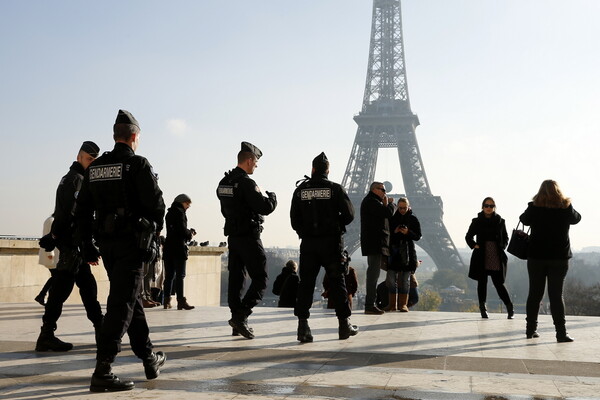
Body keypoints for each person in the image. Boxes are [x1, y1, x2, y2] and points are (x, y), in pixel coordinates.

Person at [76, 109, 166, 392]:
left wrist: (87, 245)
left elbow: (81, 213)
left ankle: (149, 357)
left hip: (106, 245)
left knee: (130, 299)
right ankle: (103, 368)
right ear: (134, 136)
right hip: (132, 245)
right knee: (121, 304)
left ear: (115, 136)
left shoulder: (96, 168)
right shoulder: (138, 165)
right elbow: (157, 208)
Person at [36, 142, 104, 352]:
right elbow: (69, 214)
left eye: (93, 160)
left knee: (84, 289)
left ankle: (100, 331)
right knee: (63, 291)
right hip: (73, 245)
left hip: (75, 245)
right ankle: (47, 335)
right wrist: (56, 235)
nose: (91, 163)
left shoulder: (75, 179)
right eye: (88, 159)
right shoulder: (75, 180)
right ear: (79, 157)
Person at [290, 152, 358, 342]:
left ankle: (302, 326)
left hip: (309, 244)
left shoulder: (300, 191)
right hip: (331, 243)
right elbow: (350, 215)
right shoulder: (335, 189)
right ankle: (344, 324)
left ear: (312, 169)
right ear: (328, 170)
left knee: (306, 284)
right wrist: (336, 224)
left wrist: (306, 231)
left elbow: (294, 220)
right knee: (338, 283)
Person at [216, 141, 277, 339]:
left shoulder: (224, 182)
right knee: (261, 278)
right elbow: (264, 207)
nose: (257, 165)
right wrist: (273, 199)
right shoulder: (247, 183)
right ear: (249, 160)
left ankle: (236, 320)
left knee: (236, 279)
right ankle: (241, 316)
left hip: (233, 237)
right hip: (250, 237)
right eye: (256, 161)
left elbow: (225, 208)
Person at [519, 180, 581, 342]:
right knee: (556, 295)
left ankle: (530, 329)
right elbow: (576, 219)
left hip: (536, 256)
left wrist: (533, 205)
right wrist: (567, 204)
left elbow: (523, 219)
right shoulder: (565, 207)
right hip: (559, 258)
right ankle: (561, 333)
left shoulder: (534, 207)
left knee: (535, 294)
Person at [466, 197, 514, 319]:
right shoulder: (476, 221)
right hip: (481, 254)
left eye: (491, 206)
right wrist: (474, 245)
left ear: (494, 207)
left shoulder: (500, 221)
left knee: (499, 283)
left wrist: (501, 247)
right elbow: (468, 236)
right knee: (482, 282)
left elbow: (506, 237)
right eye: (486, 205)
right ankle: (483, 309)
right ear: (482, 207)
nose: (488, 208)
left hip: (495, 254)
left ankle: (509, 307)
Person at [360, 182, 395, 314]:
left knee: (373, 274)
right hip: (375, 243)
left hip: (375, 243)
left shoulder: (372, 201)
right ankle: (370, 304)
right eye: (382, 190)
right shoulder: (371, 201)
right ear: (374, 190)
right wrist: (391, 204)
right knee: (373, 274)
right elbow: (387, 213)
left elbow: (383, 215)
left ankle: (371, 303)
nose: (385, 193)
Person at [163, 194, 196, 310]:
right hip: (178, 248)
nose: (188, 207)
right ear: (182, 202)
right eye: (187, 204)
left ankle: (166, 300)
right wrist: (190, 233)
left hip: (168, 248)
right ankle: (181, 301)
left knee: (169, 276)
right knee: (180, 275)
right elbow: (182, 230)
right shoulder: (180, 213)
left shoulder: (169, 213)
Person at [388, 197, 421, 312]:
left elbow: (418, 236)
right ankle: (392, 304)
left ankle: (403, 304)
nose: (402, 210)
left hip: (407, 252)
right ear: (397, 206)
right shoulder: (392, 219)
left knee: (406, 280)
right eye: (400, 208)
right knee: (391, 279)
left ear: (408, 207)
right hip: (394, 251)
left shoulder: (413, 219)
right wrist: (395, 232)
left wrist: (408, 232)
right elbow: (387, 235)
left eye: (404, 208)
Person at [36, 215, 59, 306]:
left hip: (51, 254)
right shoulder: (52, 220)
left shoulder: (49, 219)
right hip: (50, 255)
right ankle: (42, 295)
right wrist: (50, 253)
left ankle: (44, 296)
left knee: (55, 277)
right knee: (56, 277)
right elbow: (49, 236)